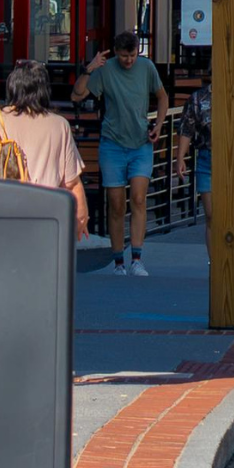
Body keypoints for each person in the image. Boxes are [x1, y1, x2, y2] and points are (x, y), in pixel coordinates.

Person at [85, 21, 163, 278]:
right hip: (112, 144)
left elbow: (162, 96)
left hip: (141, 143)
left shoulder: (147, 67)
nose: (128, 60)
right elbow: (77, 95)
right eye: (123, 55)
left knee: (139, 198)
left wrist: (159, 125)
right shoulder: (105, 70)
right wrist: (90, 69)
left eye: (131, 55)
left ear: (137, 52)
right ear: (116, 52)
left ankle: (137, 258)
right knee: (116, 204)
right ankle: (118, 260)